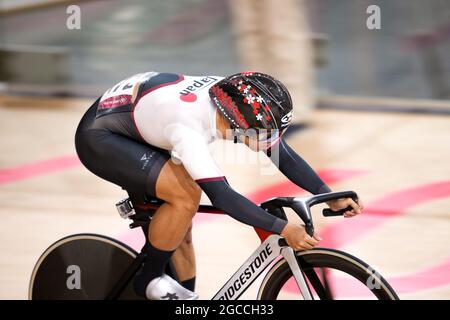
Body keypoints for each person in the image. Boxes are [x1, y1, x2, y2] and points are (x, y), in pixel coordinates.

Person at [75, 71, 363, 300]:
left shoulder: (234, 100)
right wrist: (284, 229)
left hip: (145, 120)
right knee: (186, 197)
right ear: (237, 125)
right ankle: (148, 279)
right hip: (103, 137)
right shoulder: (188, 128)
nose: (270, 142)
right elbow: (222, 196)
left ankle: (182, 299)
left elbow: (282, 155)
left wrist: (327, 196)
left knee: (181, 227)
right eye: (264, 134)